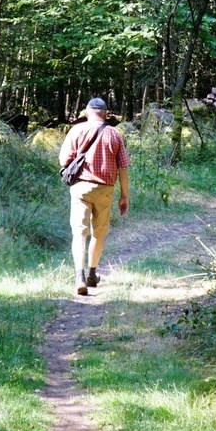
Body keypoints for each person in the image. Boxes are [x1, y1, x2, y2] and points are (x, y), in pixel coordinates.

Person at [59, 97, 130, 296]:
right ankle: (92, 274)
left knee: (79, 233)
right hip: (105, 189)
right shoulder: (114, 134)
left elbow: (64, 160)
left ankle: (79, 277)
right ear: (105, 114)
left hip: (81, 188)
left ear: (87, 113)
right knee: (99, 233)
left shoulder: (76, 130)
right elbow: (123, 168)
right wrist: (124, 195)